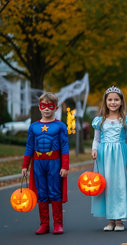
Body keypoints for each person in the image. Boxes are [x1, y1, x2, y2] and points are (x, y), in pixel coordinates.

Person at [22, 92, 69, 235]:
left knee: (55, 192)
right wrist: (25, 165)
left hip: (54, 162)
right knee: (41, 193)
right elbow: (29, 146)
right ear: (39, 107)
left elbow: (64, 146)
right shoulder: (34, 127)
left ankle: (58, 224)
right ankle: (44, 224)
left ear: (55, 107)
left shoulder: (60, 126)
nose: (47, 109)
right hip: (38, 163)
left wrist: (65, 166)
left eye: (50, 106)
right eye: (44, 105)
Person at [91, 86, 127, 231]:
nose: (113, 102)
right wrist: (94, 149)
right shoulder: (100, 121)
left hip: (119, 156)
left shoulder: (126, 121)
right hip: (104, 157)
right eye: (110, 99)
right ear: (105, 102)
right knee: (106, 185)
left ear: (121, 102)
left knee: (119, 186)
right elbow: (96, 139)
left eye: (116, 99)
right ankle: (110, 220)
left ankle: (119, 220)